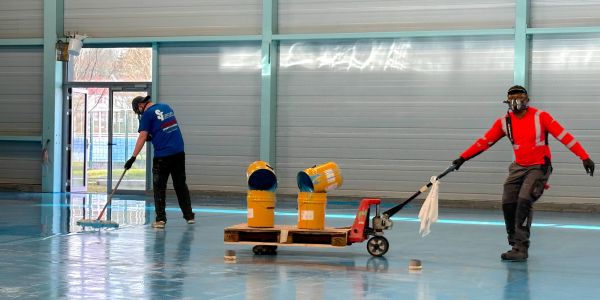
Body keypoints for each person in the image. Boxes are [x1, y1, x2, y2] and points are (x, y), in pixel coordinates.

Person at [451, 85, 594, 261]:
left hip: (539, 166)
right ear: (507, 102)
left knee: (524, 200)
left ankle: (521, 247)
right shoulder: (504, 122)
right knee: (508, 202)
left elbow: (565, 136)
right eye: (512, 100)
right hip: (518, 167)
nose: (516, 103)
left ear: (527, 100)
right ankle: (514, 242)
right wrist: (462, 158)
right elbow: (484, 142)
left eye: (520, 99)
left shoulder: (541, 117)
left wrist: (584, 157)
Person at [125, 95, 195, 228]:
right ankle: (189, 216)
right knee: (180, 185)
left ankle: (161, 220)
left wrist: (133, 158)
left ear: (141, 106)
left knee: (159, 188)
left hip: (163, 156)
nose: (140, 113)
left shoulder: (147, 114)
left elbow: (142, 137)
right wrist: (154, 136)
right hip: (179, 152)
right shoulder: (166, 107)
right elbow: (165, 128)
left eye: (138, 110)